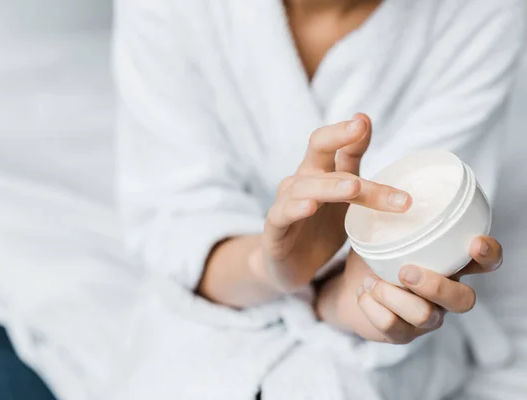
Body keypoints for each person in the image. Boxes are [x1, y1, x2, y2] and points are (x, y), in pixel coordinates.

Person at [115, 0, 525, 398]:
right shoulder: (166, 8)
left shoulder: (483, 12)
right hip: (217, 297)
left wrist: (351, 301)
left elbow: (421, 222)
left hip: (371, 335)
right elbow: (178, 216)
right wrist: (271, 266)